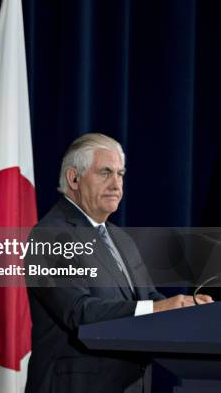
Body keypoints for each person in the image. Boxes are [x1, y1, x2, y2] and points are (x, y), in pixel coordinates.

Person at [25, 133, 213, 393]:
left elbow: (149, 298)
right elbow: (79, 312)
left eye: (120, 174)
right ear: (74, 178)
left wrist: (187, 309)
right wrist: (158, 308)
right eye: (105, 172)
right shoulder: (50, 235)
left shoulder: (119, 238)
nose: (116, 184)